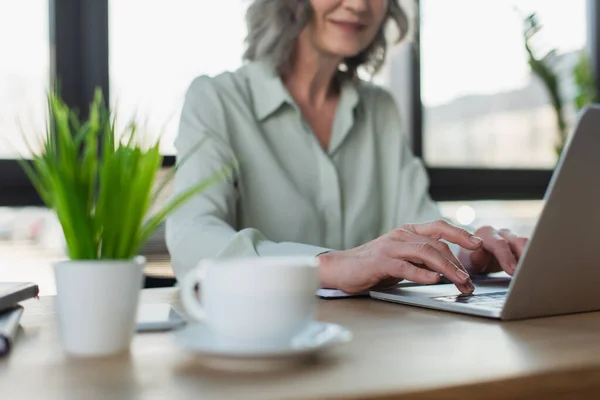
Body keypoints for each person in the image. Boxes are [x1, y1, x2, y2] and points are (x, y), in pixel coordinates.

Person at [166, 0, 528, 295]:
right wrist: (329, 265)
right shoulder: (216, 100)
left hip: (373, 344)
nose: (358, 5)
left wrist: (469, 251)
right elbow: (192, 241)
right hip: (262, 349)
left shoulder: (379, 109)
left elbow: (420, 229)